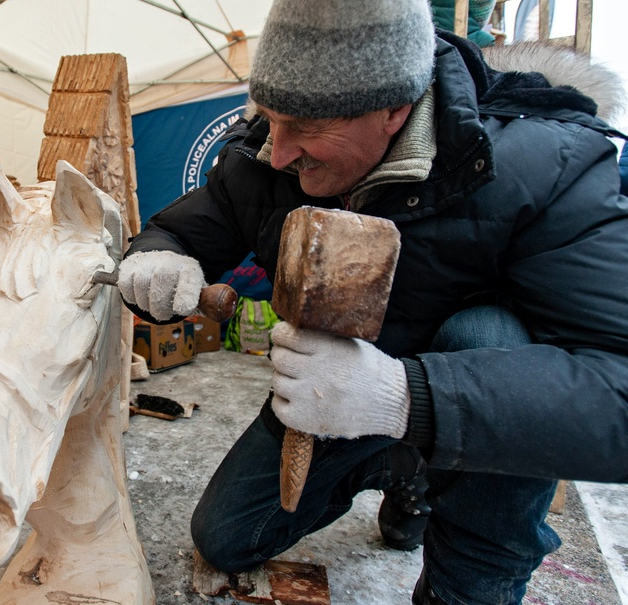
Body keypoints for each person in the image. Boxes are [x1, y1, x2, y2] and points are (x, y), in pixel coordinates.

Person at [116, 1, 628, 603]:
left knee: (489, 333)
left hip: (464, 411)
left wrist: (402, 398)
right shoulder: (264, 158)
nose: (278, 152)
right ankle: (402, 467)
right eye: (272, 119)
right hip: (336, 395)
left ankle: (463, 556)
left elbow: (616, 389)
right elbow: (181, 231)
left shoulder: (545, 167)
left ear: (395, 108)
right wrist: (158, 257)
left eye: (306, 127)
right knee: (227, 536)